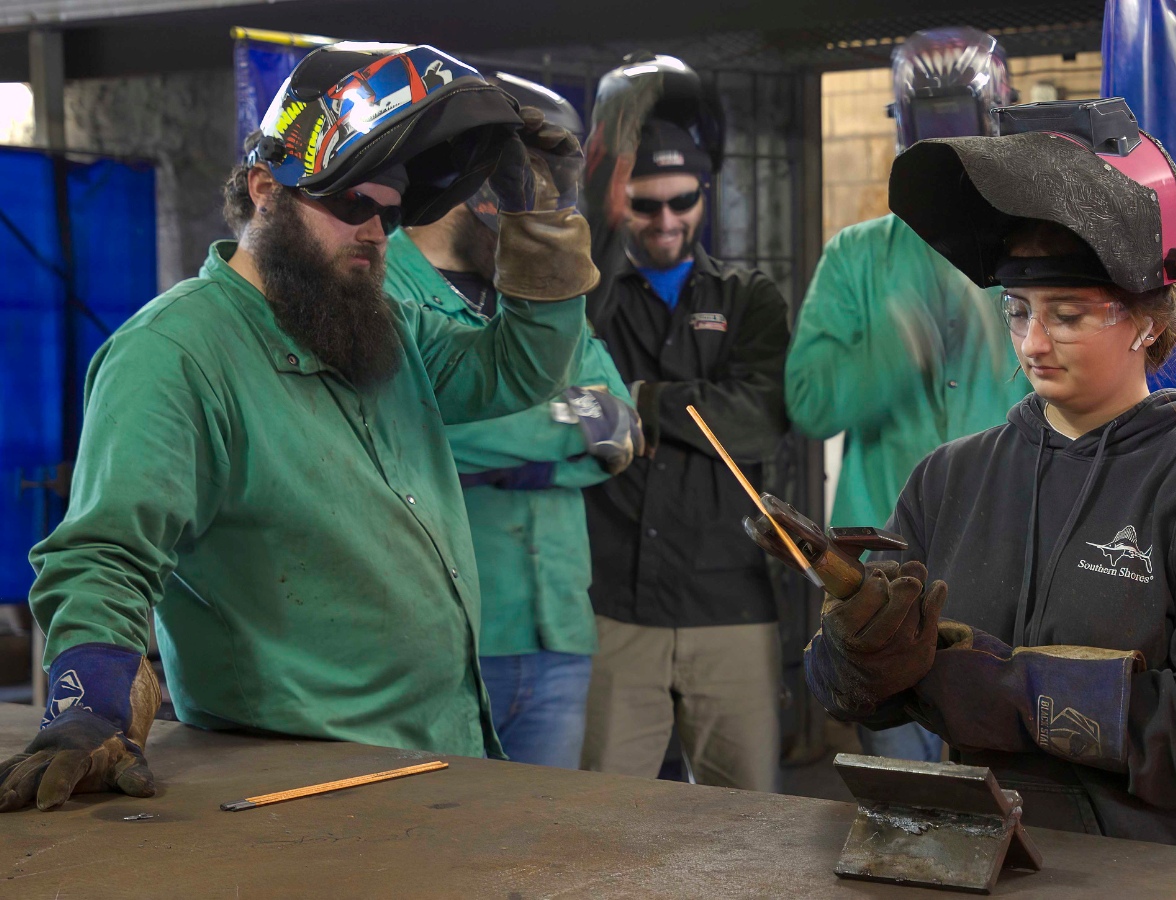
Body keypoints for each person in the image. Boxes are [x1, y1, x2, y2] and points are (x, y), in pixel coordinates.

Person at [0, 43, 600, 812]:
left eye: (388, 213)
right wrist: (87, 708)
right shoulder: (177, 355)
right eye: (352, 205)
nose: (375, 233)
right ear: (264, 190)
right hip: (300, 790)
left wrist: (542, 220)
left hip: (447, 757)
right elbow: (106, 553)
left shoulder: (379, 327)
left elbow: (518, 366)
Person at [801, 98, 1176, 858]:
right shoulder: (952, 479)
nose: (1033, 344)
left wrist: (1007, 692)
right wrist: (856, 657)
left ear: (1148, 319)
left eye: (1068, 315)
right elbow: (848, 690)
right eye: (1018, 311)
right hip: (998, 854)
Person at [384, 72, 641, 769]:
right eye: (528, 190)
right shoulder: (379, 287)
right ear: (476, 186)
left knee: (538, 862)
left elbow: (619, 423)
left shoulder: (535, 289)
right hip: (449, 642)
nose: (541, 216)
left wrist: (487, 450)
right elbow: (401, 435)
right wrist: (558, 436)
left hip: (556, 630)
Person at [785, 27, 1027, 764]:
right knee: (904, 800)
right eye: (932, 138)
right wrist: (899, 347)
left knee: (1012, 788)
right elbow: (810, 403)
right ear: (903, 131)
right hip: (881, 581)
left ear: (999, 123)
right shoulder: (855, 259)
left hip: (1008, 562)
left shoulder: (1028, 254)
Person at [579, 56, 790, 792]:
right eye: (643, 205)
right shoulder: (589, 302)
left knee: (753, 829)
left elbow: (760, 422)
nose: (666, 221)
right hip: (614, 612)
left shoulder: (749, 296)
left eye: (683, 200)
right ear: (616, 202)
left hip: (727, 607)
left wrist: (637, 399)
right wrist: (699, 403)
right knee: (600, 832)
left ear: (707, 191)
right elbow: (566, 402)